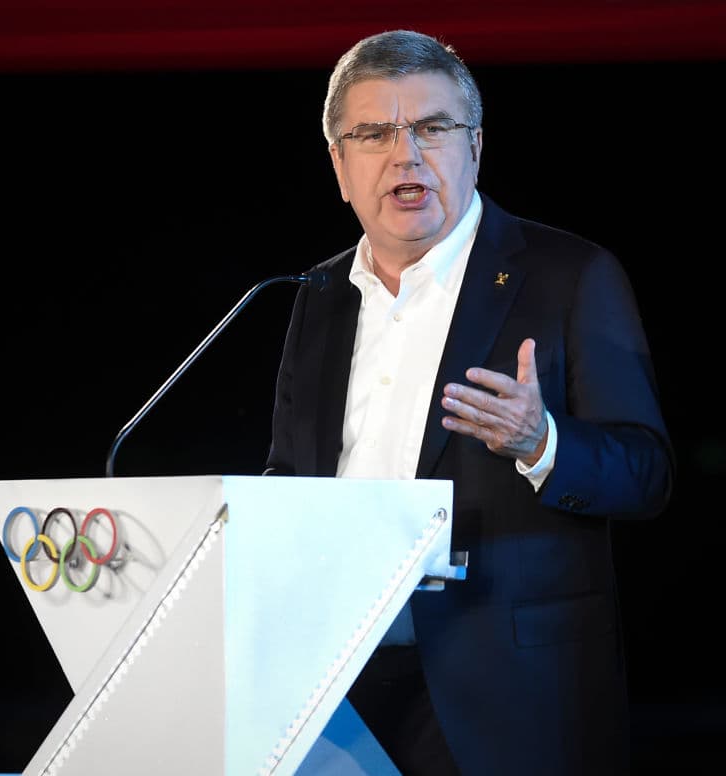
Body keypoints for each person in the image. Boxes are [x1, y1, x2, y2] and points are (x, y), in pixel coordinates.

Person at [264, 29, 675, 776]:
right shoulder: (316, 297)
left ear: (475, 146)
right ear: (339, 165)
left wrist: (541, 442)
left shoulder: (567, 275)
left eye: (432, 127)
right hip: (337, 691)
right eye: (373, 133)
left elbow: (646, 473)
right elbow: (291, 477)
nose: (405, 154)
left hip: (506, 695)